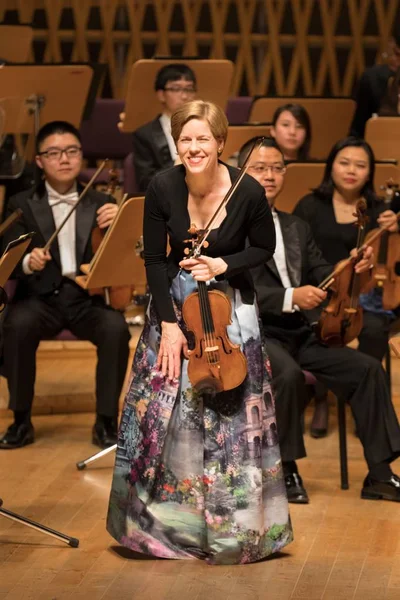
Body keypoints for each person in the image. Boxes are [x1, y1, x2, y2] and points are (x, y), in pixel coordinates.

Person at [107, 101, 293, 565]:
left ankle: (237, 532)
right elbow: (154, 259)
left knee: (234, 416)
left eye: (202, 139)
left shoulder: (247, 191)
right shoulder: (162, 187)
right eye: (185, 139)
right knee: (162, 406)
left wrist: (223, 263)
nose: (193, 148)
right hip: (175, 301)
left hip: (230, 300)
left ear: (220, 143)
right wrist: (169, 325)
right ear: (177, 144)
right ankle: (159, 528)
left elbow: (263, 248)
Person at [238, 137, 400, 504]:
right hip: (253, 331)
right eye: (259, 168)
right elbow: (229, 287)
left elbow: (322, 273)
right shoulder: (231, 227)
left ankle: (379, 474)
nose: (270, 176)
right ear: (239, 173)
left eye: (277, 168)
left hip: (300, 330)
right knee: (288, 375)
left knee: (367, 369)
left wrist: (353, 269)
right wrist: (289, 296)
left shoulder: (295, 226)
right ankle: (287, 469)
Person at [0, 121, 131, 450]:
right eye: (54, 153)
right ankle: (20, 420)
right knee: (17, 324)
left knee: (115, 328)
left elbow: (123, 253)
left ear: (81, 157)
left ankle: (105, 421)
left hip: (86, 297)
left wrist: (119, 223)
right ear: (39, 160)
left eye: (72, 151)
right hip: (39, 298)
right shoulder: (22, 203)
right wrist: (29, 262)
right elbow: (7, 255)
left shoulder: (101, 200)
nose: (64, 159)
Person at [293, 136, 399, 437]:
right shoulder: (310, 206)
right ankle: (322, 398)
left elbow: (389, 258)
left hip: (361, 295)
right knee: (325, 329)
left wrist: (396, 228)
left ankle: (357, 394)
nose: (351, 170)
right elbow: (297, 256)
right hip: (319, 293)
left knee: (375, 329)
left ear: (370, 172)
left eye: (360, 165)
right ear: (331, 167)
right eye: (344, 162)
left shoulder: (379, 210)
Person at [132, 63, 197, 193]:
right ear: (161, 94)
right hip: (166, 198)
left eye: (189, 89)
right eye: (176, 89)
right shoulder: (145, 135)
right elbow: (146, 181)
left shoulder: (205, 128)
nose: (184, 96)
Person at [350, 25, 400, 137]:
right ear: (391, 45)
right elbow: (357, 131)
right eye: (397, 54)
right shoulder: (372, 80)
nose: (398, 63)